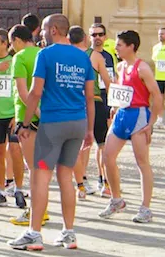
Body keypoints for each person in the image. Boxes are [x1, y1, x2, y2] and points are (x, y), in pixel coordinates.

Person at [8, 14, 95, 251]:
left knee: (41, 177)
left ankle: (34, 234)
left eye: (45, 30)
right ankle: (69, 233)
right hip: (77, 123)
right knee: (66, 178)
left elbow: (35, 92)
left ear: (54, 29)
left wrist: (25, 124)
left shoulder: (45, 55)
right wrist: (89, 129)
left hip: (53, 123)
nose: (40, 34)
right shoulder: (82, 57)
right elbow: (89, 97)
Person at [99, 30, 162, 223]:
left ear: (131, 46)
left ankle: (145, 208)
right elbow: (122, 89)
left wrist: (151, 123)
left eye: (119, 45)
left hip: (139, 115)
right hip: (122, 114)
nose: (116, 48)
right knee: (107, 156)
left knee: (142, 163)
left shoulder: (142, 68)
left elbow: (157, 96)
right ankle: (116, 199)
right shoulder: (120, 67)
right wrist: (115, 107)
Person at [8, 25, 48, 226]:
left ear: (16, 40)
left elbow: (24, 93)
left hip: (29, 118)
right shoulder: (44, 54)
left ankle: (36, 212)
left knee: (34, 168)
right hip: (47, 114)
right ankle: (42, 209)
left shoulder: (20, 58)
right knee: (41, 166)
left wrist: (38, 116)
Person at [0, 28, 26, 209]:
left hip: (12, 114)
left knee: (16, 152)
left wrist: (18, 114)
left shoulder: (14, 60)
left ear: (5, 44)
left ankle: (18, 188)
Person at [68, 26, 111, 200]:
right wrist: (113, 106)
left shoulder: (65, 56)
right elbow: (108, 83)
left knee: (78, 147)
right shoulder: (95, 56)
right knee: (102, 145)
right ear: (85, 38)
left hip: (73, 104)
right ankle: (105, 183)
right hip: (95, 101)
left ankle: (81, 183)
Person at [89, 23, 116, 195]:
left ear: (105, 36)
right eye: (94, 34)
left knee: (104, 144)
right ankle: (85, 181)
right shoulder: (87, 55)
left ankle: (103, 179)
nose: (97, 37)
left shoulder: (109, 56)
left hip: (107, 101)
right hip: (92, 100)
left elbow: (112, 79)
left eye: (100, 34)